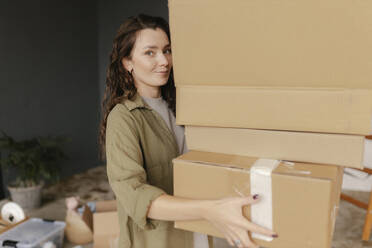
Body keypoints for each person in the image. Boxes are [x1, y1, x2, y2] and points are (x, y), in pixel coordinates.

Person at [99, 14, 277, 248]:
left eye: (167, 50)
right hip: (162, 240)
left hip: (205, 230)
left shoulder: (182, 106)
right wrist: (209, 210)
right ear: (127, 62)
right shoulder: (123, 117)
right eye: (150, 52)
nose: (164, 60)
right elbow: (135, 196)